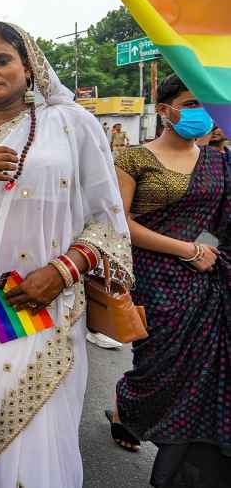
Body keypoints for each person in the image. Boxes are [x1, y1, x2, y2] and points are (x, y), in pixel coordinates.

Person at [0, 22, 132, 488]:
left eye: (1, 60)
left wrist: (61, 270)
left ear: (29, 66)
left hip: (50, 307)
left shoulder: (71, 124)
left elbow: (108, 221)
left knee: (42, 437)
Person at [111, 74, 231, 487]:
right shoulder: (132, 158)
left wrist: (207, 254)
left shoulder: (219, 161)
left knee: (199, 381)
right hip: (155, 281)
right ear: (164, 110)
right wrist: (187, 251)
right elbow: (121, 223)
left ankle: (179, 474)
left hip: (209, 283)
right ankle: (125, 403)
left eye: (205, 105)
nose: (201, 113)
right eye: (191, 103)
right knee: (155, 375)